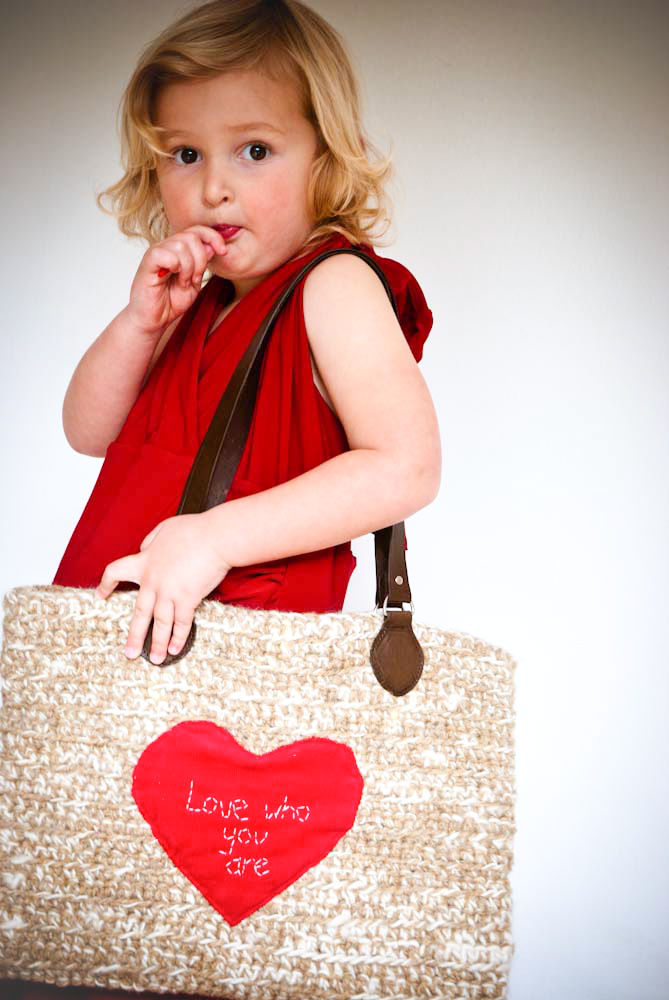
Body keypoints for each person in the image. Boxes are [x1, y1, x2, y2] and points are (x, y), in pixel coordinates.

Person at [5, 1, 440, 997]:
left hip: (238, 717)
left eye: (253, 149)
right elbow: (86, 428)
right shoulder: (194, 299)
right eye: (183, 154)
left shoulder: (330, 286)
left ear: (327, 157)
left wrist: (212, 538)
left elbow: (406, 465)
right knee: (87, 932)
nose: (211, 187)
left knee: (198, 949)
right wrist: (137, 323)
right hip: (123, 688)